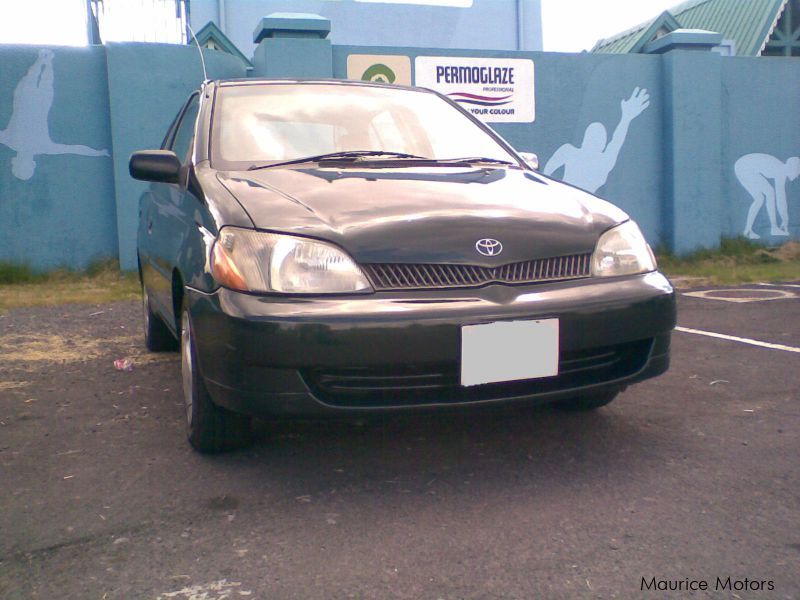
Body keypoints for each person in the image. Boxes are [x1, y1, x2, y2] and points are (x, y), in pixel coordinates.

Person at [0, 49, 109, 181]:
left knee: (37, 80)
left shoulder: (13, 141)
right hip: (34, 101)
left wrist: (98, 153)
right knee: (36, 80)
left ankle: (45, 60)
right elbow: (75, 149)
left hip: (31, 100)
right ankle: (45, 60)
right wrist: (98, 153)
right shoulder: (16, 141)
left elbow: (74, 149)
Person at [544, 87, 650, 193]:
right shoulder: (570, 152)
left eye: (598, 138)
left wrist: (626, 118)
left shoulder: (603, 161)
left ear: (602, 144)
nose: (594, 140)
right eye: (592, 136)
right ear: (585, 139)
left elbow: (616, 141)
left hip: (585, 204)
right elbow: (546, 172)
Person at [735, 153, 799, 239]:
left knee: (761, 198)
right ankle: (773, 228)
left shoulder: (781, 169)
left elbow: (781, 199)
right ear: (793, 169)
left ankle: (749, 230)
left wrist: (785, 219)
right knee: (769, 193)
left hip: (742, 166)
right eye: (798, 172)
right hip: (744, 167)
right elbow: (781, 199)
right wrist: (785, 219)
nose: (797, 176)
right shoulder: (780, 171)